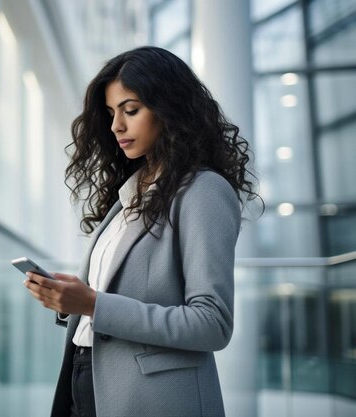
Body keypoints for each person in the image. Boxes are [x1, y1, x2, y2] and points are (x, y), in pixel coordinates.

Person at [23, 46, 262, 417]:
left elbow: (211, 323)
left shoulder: (203, 191)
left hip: (154, 398)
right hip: (85, 379)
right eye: (110, 113)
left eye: (130, 110)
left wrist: (92, 303)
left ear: (169, 110)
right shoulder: (129, 194)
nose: (117, 125)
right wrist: (70, 300)